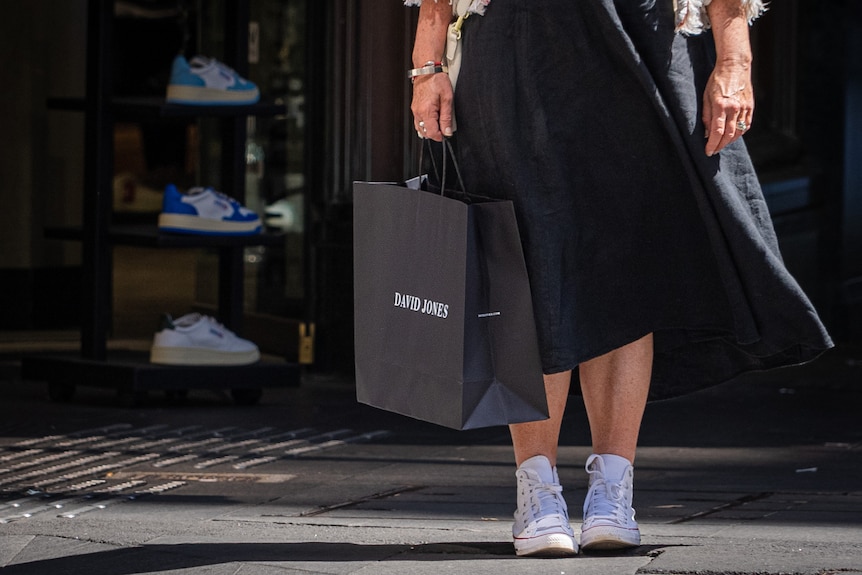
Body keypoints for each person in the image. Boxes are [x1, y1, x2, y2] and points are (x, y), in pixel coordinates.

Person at [403, 0, 833, 558]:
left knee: (628, 256)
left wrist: (735, 60)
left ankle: (612, 491)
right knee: (528, 254)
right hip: (515, 32)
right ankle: (537, 490)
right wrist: (427, 63)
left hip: (643, 31)